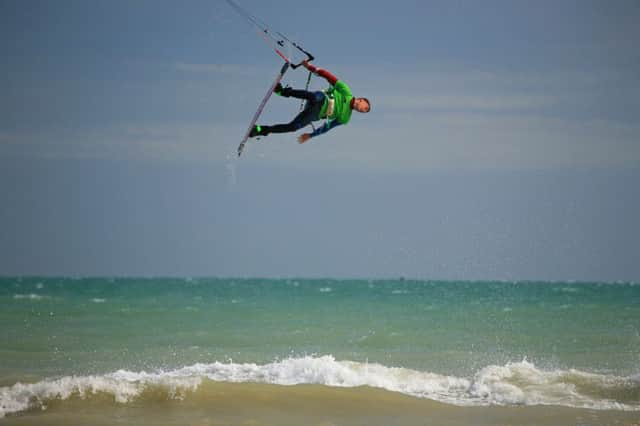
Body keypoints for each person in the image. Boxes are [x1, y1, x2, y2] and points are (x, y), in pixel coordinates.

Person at [249, 61, 370, 143]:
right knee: (313, 97)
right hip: (322, 98)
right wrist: (309, 67)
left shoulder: (345, 118)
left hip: (316, 113)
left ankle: (260, 130)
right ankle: (282, 91)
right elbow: (327, 75)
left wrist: (311, 135)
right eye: (365, 107)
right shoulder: (346, 91)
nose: (362, 110)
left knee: (293, 127)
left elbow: (327, 127)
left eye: (364, 112)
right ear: (361, 100)